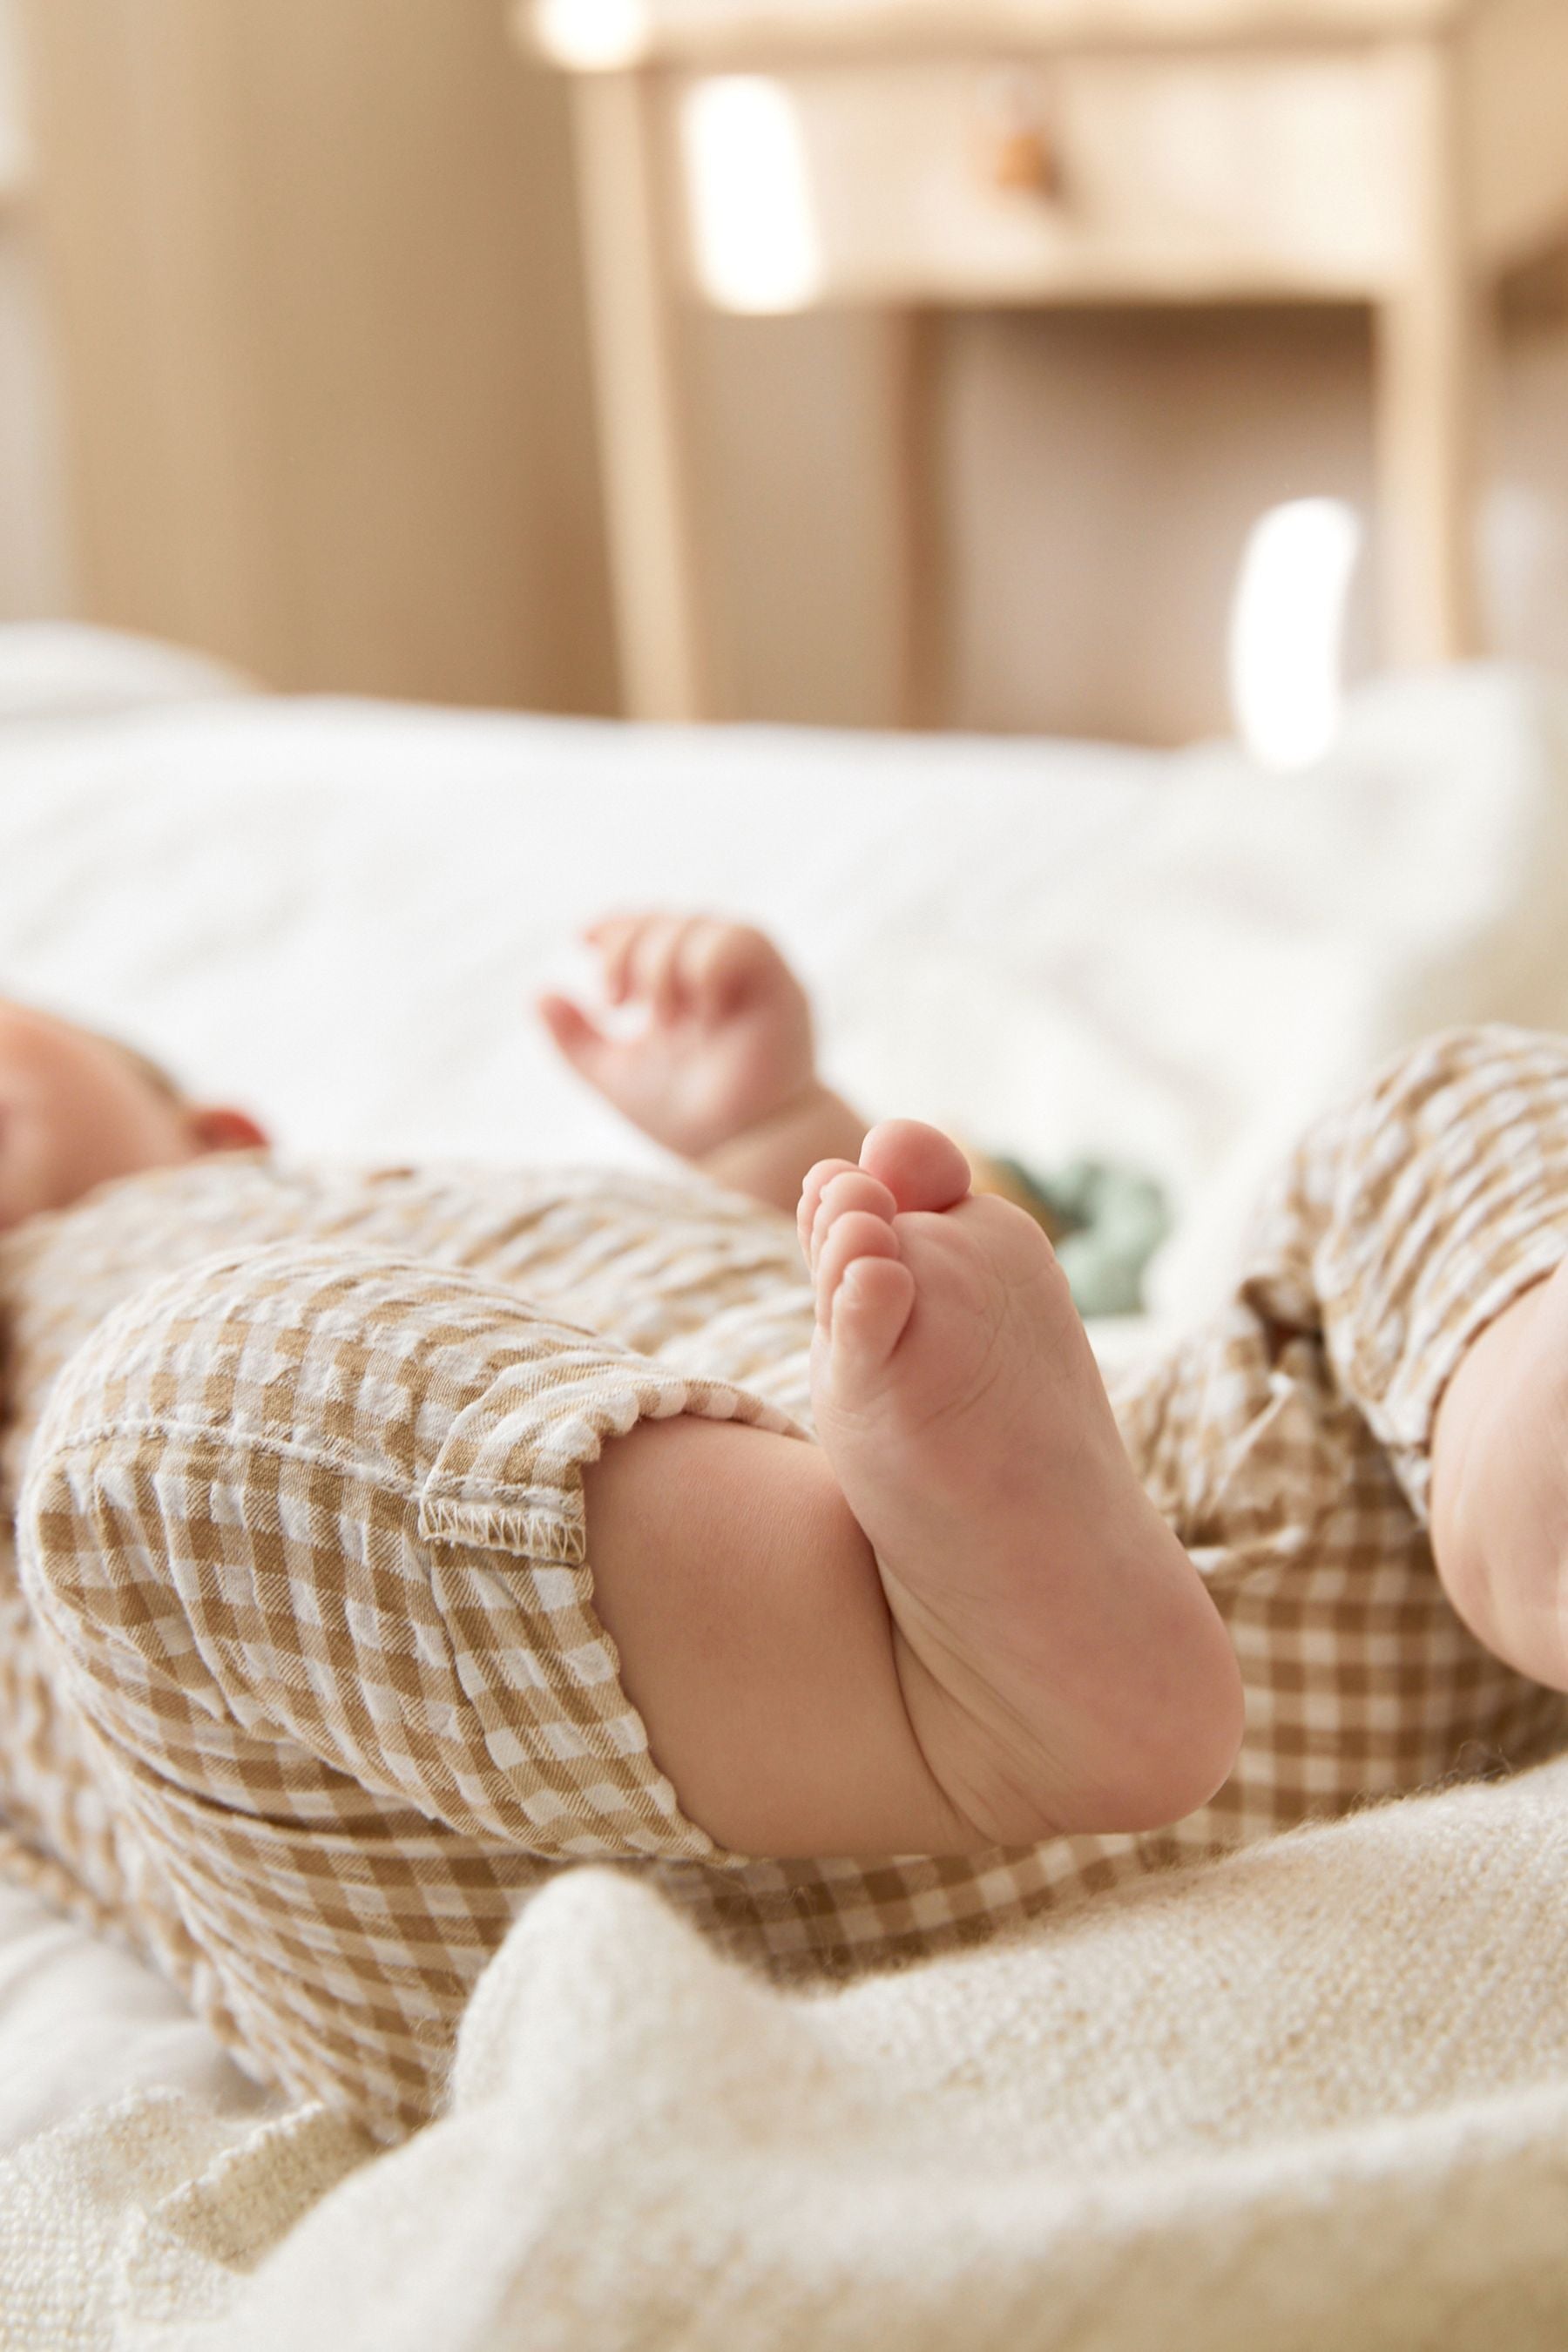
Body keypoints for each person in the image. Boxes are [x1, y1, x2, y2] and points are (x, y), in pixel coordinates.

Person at [1, 922, 1565, 2142]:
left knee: (1431, 1110)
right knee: (185, 1419)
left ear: (214, 1127)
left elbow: (878, 1289)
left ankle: (1525, 1482)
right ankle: (959, 1686)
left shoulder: (385, 1191)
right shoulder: (85, 1376)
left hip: (1183, 1564)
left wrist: (772, 1129)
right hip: (615, 1888)